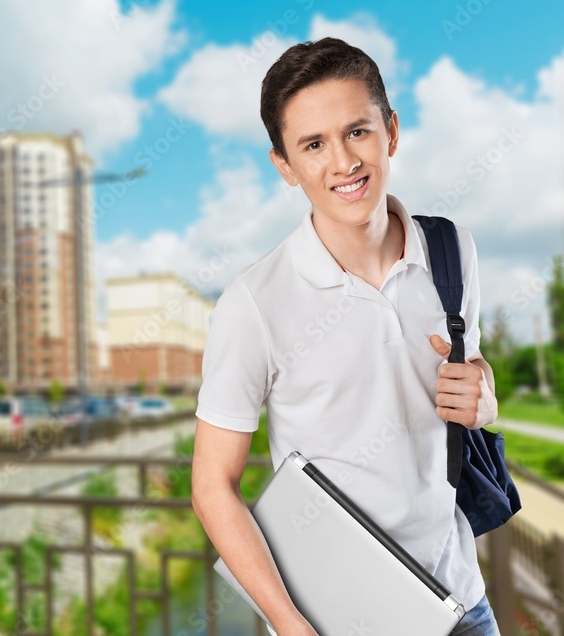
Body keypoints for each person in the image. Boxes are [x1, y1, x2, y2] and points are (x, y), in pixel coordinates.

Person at [191, 37, 501, 636]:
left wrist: (484, 396)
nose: (344, 162)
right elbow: (211, 486)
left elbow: (473, 372)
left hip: (462, 599)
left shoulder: (452, 250)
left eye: (357, 131)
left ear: (391, 131)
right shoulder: (254, 303)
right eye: (313, 144)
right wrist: (290, 623)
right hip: (342, 619)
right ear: (285, 165)